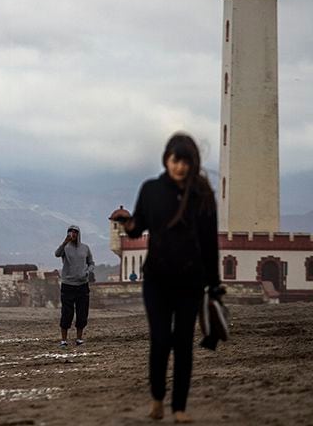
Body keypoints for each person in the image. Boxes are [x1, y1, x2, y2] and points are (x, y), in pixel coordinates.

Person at [122, 133, 220, 424]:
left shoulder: (202, 195)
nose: (179, 167)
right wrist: (128, 226)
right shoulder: (151, 189)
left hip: (190, 282)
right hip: (157, 281)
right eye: (175, 160)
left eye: (185, 161)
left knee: (184, 343)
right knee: (161, 339)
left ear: (193, 163)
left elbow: (209, 242)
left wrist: (214, 284)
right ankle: (156, 399)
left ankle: (179, 407)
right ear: (166, 158)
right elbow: (139, 225)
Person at [55, 225, 95, 347]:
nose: (73, 234)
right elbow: (57, 254)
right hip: (68, 284)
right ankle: (63, 340)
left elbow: (91, 262)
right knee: (67, 313)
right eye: (70, 232)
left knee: (82, 312)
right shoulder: (65, 248)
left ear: (78, 234)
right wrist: (64, 242)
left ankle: (79, 338)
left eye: (75, 232)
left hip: (82, 285)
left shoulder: (85, 248)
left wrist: (88, 272)